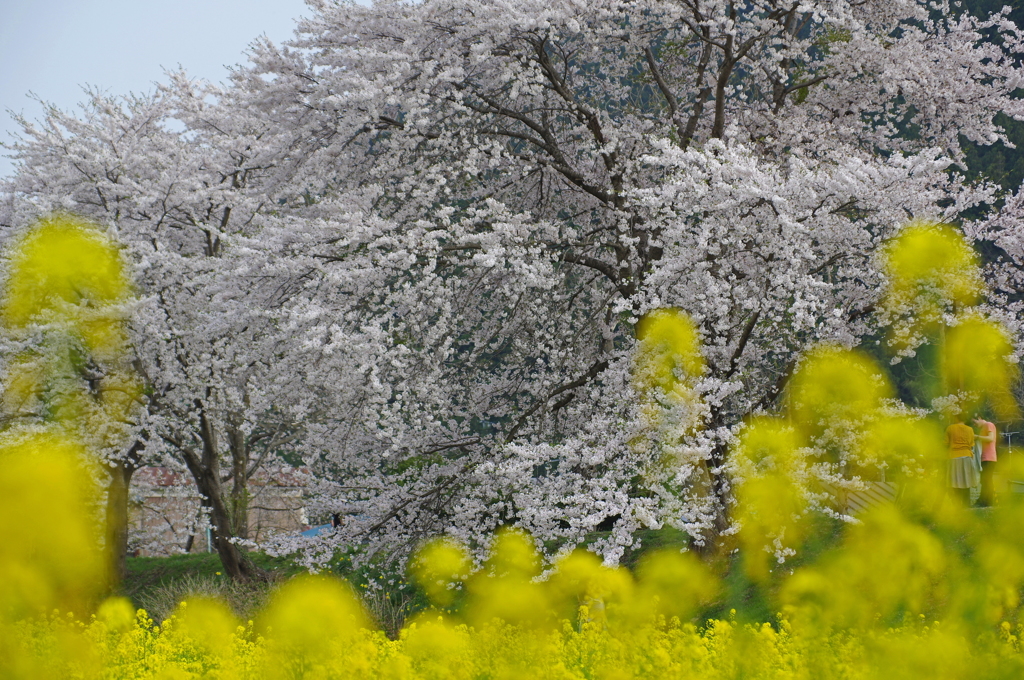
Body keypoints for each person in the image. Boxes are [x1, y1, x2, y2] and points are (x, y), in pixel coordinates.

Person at [946, 413, 978, 507]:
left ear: (956, 418)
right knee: (966, 481)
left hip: (954, 457)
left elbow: (946, 442)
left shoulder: (950, 428)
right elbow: (972, 444)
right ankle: (966, 504)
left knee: (955, 481)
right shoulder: (970, 429)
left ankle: (956, 505)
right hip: (967, 457)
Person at [973, 414, 998, 507]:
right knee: (985, 480)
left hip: (989, 457)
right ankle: (987, 501)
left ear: (979, 418)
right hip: (985, 457)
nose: (974, 425)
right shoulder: (983, 428)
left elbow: (990, 438)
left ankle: (986, 501)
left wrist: (977, 437)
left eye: (974, 422)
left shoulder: (988, 424)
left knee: (986, 480)